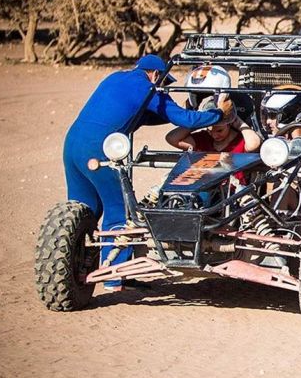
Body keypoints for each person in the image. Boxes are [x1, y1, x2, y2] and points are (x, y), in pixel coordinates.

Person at [63, 54, 230, 290]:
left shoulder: (116, 78)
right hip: (100, 148)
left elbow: (141, 115)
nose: (163, 87)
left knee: (83, 209)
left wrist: (172, 114)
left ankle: (72, 269)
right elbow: (186, 119)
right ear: (155, 74)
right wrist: (218, 114)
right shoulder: (146, 86)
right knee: (120, 212)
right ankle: (114, 277)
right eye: (163, 82)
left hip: (72, 144)